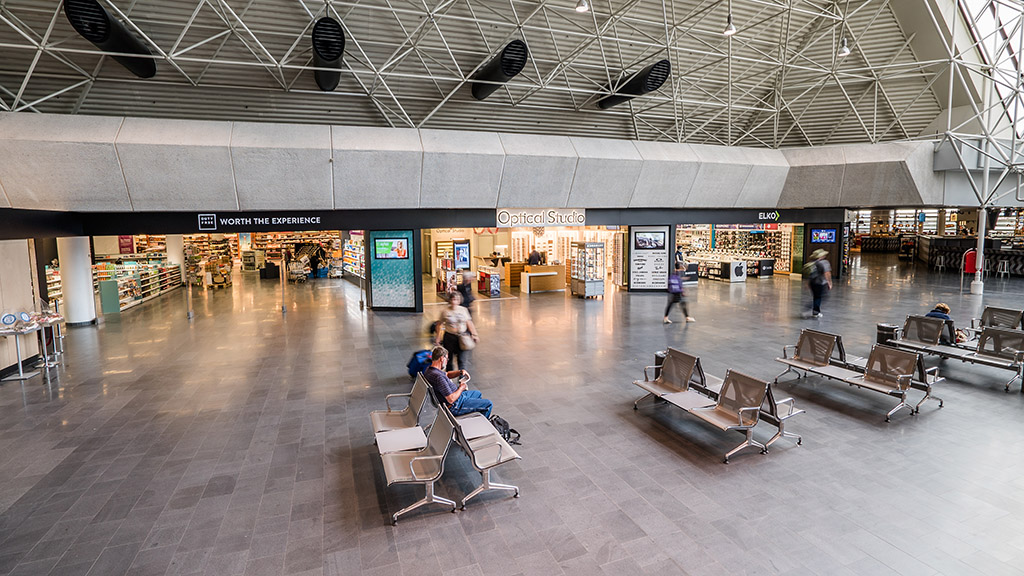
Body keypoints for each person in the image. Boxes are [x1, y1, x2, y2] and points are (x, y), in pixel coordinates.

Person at [422, 347, 492, 418]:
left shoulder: (429, 370)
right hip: (455, 405)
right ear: (442, 358)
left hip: (458, 397)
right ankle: (479, 423)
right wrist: (462, 387)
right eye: (447, 359)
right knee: (488, 404)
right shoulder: (438, 377)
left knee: (477, 394)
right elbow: (451, 399)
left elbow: (447, 374)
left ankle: (474, 413)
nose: (447, 362)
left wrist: (460, 372)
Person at [434, 292, 478, 371]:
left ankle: (462, 379)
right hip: (449, 337)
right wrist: (438, 337)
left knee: (461, 360)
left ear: (459, 301)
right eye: (453, 299)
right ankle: (449, 378)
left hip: (461, 337)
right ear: (450, 300)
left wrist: (474, 334)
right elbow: (439, 324)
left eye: (456, 300)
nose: (454, 302)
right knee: (449, 359)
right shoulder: (445, 311)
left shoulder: (463, 310)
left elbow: (469, 322)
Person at [803, 249, 832, 318]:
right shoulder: (824, 263)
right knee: (821, 297)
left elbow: (810, 274)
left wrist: (808, 283)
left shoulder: (812, 263)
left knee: (816, 297)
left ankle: (814, 310)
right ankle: (813, 310)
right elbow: (827, 273)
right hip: (821, 283)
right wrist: (829, 282)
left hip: (813, 283)